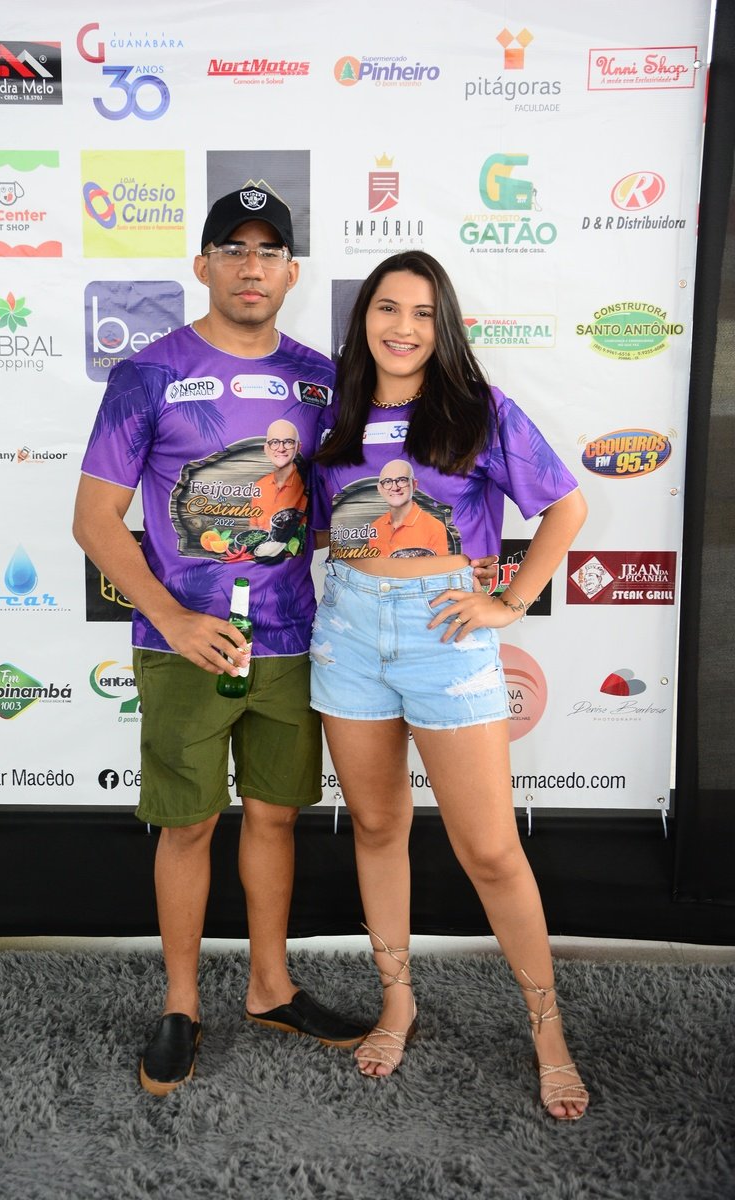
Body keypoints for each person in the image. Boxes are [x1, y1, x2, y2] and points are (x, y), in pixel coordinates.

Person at [73, 187, 370, 1097]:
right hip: (184, 645)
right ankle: (181, 1004)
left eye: (269, 250)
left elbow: (345, 506)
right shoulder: (149, 374)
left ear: (292, 271)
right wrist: (171, 617)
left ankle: (271, 987)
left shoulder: (323, 381)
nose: (251, 266)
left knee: (276, 815)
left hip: (291, 638)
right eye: (233, 248)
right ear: (202, 265)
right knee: (190, 822)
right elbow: (94, 519)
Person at [310, 251, 590, 1120]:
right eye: (387, 308)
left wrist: (509, 601)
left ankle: (548, 1031)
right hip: (349, 634)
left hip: (446, 634)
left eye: (424, 313)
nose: (403, 327)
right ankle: (397, 1002)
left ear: (446, 327)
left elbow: (567, 507)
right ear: (363, 319)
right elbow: (323, 528)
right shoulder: (335, 413)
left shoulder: (477, 409)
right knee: (377, 826)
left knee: (491, 851)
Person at [368, 459, 449, 557]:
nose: (395, 487)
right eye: (387, 481)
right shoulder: (376, 527)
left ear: (414, 485)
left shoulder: (435, 528)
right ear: (380, 489)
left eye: (402, 480)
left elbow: (440, 566)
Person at [249, 419, 307, 532]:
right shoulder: (260, 485)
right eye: (274, 442)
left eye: (288, 442)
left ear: (298, 447)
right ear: (266, 449)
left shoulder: (307, 485)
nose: (281, 449)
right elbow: (253, 529)